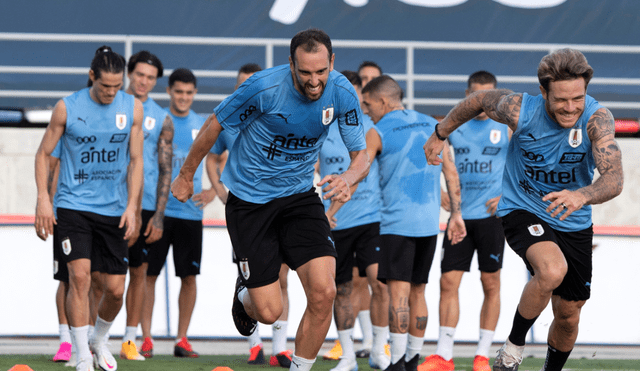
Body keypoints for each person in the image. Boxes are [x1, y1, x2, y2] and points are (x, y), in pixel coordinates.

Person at [171, 28, 370, 371]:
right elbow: (215, 124)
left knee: (324, 293)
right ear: (291, 64)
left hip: (299, 197)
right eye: (305, 72)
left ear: (332, 63)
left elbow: (361, 154)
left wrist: (349, 178)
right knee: (269, 312)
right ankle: (244, 293)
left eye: (321, 72)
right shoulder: (263, 88)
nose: (314, 81)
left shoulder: (341, 91)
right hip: (250, 202)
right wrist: (187, 174)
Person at [423, 48, 623, 371]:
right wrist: (440, 132)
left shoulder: (597, 119)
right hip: (523, 207)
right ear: (543, 91)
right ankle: (512, 349)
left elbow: (615, 178)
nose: (570, 108)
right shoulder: (520, 110)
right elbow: (478, 100)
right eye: (561, 100)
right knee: (551, 269)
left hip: (573, 218)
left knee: (569, 315)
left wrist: (581, 196)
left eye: (578, 98)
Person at [34, 45, 144, 371]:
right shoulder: (67, 108)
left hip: (113, 210)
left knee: (114, 290)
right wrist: (43, 198)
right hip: (72, 206)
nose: (111, 92)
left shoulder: (132, 108)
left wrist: (133, 207)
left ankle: (98, 340)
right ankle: (82, 354)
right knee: (79, 278)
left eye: (116, 86)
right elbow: (43, 154)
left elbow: (136, 161)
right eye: (104, 86)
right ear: (91, 76)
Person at [361, 75, 466, 371]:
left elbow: (360, 167)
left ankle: (395, 362)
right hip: (428, 225)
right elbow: (451, 172)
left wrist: (340, 190)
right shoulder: (433, 126)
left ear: (383, 101)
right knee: (419, 291)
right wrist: (456, 215)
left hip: (396, 224)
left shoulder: (377, 130)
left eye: (368, 104)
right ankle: (411, 358)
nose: (366, 110)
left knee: (398, 294)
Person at [418, 71, 509, 371]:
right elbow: (434, 159)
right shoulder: (454, 128)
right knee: (447, 281)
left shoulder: (508, 127)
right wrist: (439, 190)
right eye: (476, 96)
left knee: (490, 282)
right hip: (460, 218)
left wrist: (509, 195)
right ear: (466, 96)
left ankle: (482, 355)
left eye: (489, 97)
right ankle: (444, 355)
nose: (483, 103)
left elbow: (527, 162)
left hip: (492, 218)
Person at [212, 63, 294, 368]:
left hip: (282, 208)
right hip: (248, 210)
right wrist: (219, 189)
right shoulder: (231, 120)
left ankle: (280, 348)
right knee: (252, 278)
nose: (247, 90)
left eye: (252, 84)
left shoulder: (280, 115)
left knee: (282, 277)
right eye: (242, 85)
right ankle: (254, 345)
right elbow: (212, 155)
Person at [318, 70, 390, 371]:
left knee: (379, 282)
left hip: (372, 217)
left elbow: (365, 171)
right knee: (341, 289)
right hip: (335, 224)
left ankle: (379, 350)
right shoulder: (317, 128)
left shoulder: (371, 127)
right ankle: (347, 355)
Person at [140, 68, 212, 358]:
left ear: (195, 94)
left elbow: (224, 157)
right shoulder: (159, 121)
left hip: (190, 214)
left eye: (189, 92)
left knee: (189, 277)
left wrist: (213, 191)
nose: (183, 97)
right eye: (178, 92)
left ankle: (182, 338)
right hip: (157, 211)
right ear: (169, 91)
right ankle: (146, 338)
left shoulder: (203, 125)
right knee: (148, 275)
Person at [120, 50, 174, 361]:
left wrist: (159, 216)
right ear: (129, 73)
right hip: (108, 204)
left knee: (138, 272)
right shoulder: (109, 105)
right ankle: (84, 338)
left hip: (145, 207)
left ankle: (130, 340)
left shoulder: (161, 118)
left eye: (151, 78)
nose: (144, 81)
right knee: (100, 276)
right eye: (140, 74)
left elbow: (165, 170)